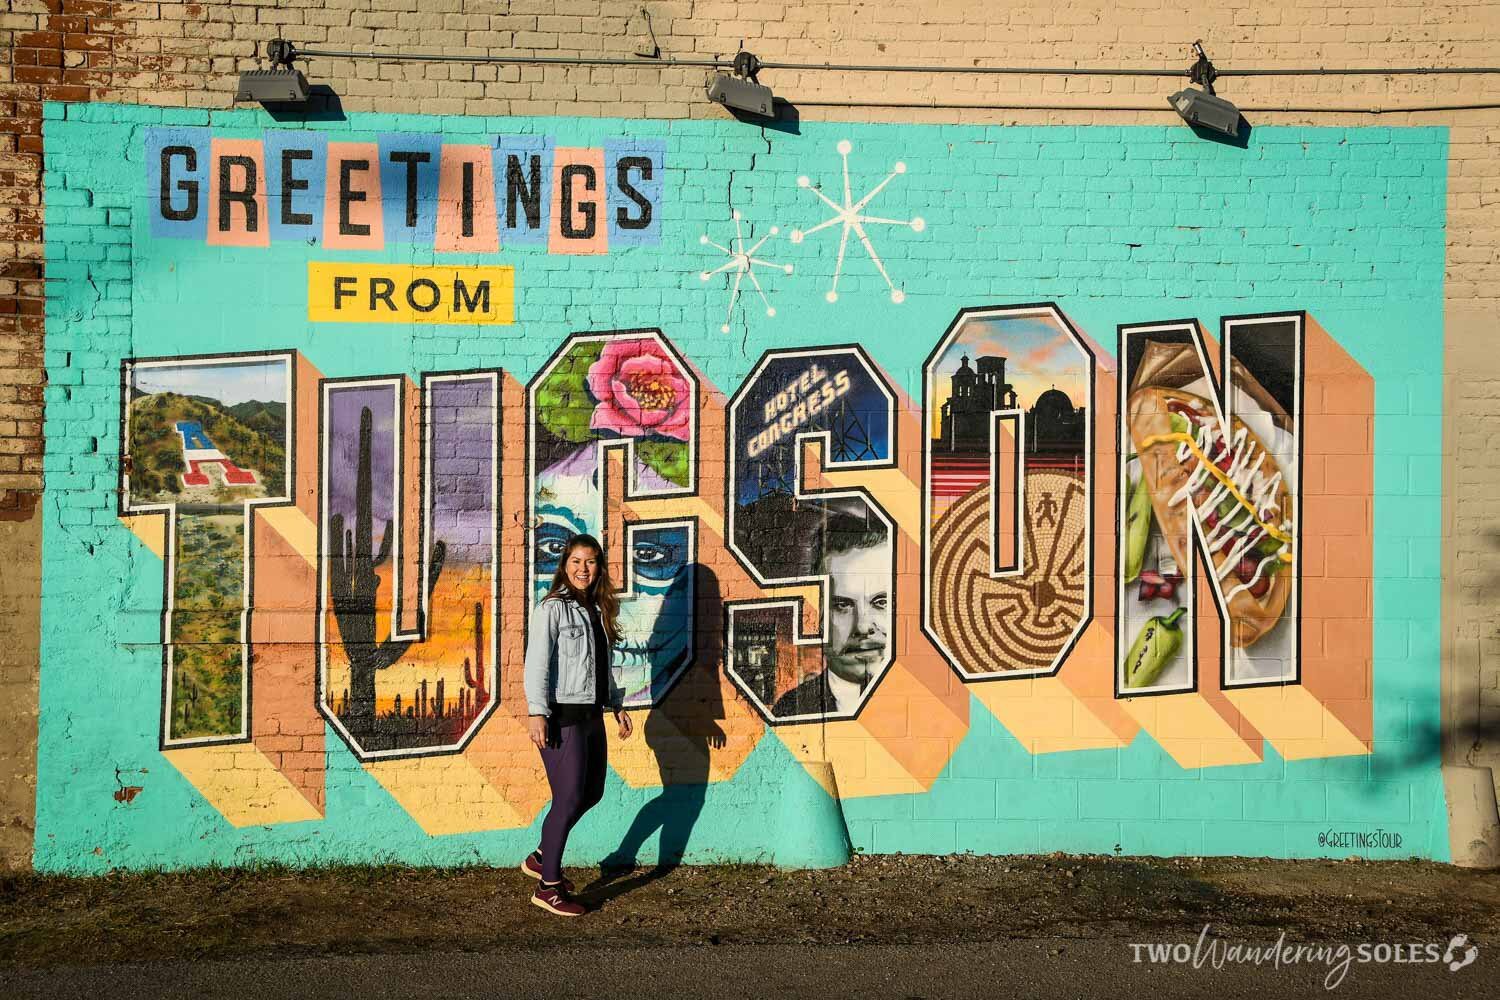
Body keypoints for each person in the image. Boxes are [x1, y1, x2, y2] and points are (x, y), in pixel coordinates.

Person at [522, 533, 634, 916]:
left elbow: (600, 665)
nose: (582, 569)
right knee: (567, 798)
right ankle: (548, 886)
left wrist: (615, 703)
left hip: (592, 713)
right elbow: (536, 663)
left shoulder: (596, 609)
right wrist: (537, 711)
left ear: (598, 567)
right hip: (562, 716)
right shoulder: (552, 608)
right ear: (564, 566)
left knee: (593, 792)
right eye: (575, 562)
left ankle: (541, 855)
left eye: (590, 562)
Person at [773, 513, 891, 719]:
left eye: (881, 602)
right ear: (817, 614)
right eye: (842, 605)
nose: (863, 626)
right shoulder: (790, 710)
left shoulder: (934, 704)